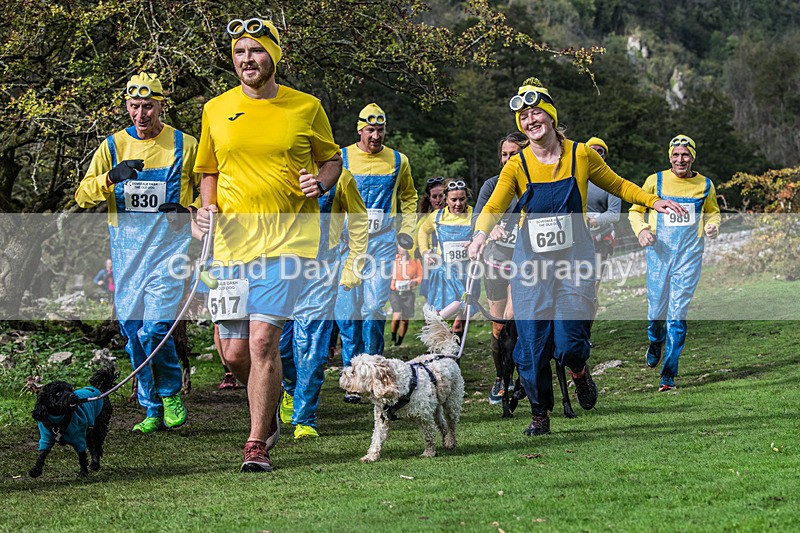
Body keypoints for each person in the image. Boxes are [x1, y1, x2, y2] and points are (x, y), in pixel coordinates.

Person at [469, 77, 685, 436]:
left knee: (570, 343)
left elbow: (617, 185)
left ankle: (579, 372)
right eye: (524, 117)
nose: (530, 120)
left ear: (552, 118)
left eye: (537, 112)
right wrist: (479, 234)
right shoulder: (517, 165)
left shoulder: (581, 154)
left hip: (574, 261)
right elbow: (494, 204)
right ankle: (540, 414)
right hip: (531, 265)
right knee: (531, 346)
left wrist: (652, 201)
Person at [194, 18, 343, 472]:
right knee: (234, 353)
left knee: (263, 342)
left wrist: (319, 183)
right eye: (239, 53)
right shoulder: (216, 109)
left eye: (255, 51)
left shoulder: (306, 106)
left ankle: (257, 440)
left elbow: (332, 160)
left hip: (289, 242)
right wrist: (205, 210)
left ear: (273, 56)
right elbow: (208, 172)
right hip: (232, 245)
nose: (247, 60)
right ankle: (270, 403)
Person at [75, 72, 198, 434]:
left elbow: (212, 194)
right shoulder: (111, 146)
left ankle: (171, 392)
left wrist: (187, 210)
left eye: (148, 106)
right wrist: (111, 178)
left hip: (168, 252)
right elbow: (82, 196)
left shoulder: (184, 144)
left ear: (161, 105)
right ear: (126, 106)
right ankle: (151, 408)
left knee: (156, 329)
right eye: (134, 107)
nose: (141, 115)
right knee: (133, 335)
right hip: (127, 254)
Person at [278, 167, 368, 439]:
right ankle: (291, 387)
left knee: (311, 347)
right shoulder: (277, 167)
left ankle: (305, 419)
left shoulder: (342, 177)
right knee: (279, 346)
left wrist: (352, 266)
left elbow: (359, 221)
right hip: (277, 267)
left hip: (322, 269)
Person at [335, 102, 418, 391]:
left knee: (372, 308)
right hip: (347, 245)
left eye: (380, 130)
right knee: (347, 312)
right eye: (370, 130)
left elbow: (409, 196)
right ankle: (352, 373)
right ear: (360, 130)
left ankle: (373, 369)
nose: (375, 136)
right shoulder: (341, 158)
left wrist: (407, 233)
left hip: (381, 242)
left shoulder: (398, 160)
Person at [629, 134, 720, 391]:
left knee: (677, 314)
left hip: (689, 257)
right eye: (676, 155)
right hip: (659, 254)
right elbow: (635, 210)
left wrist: (712, 225)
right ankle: (655, 340)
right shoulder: (654, 181)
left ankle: (668, 374)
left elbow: (712, 211)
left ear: (693, 156)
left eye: (685, 154)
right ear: (669, 156)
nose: (681, 159)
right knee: (656, 310)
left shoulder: (705, 185)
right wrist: (642, 230)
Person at [472, 132, 529, 403]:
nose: (507, 159)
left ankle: (521, 379)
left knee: (513, 320)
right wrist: (489, 227)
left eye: (513, 154)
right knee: (497, 328)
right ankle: (500, 377)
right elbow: (477, 217)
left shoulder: (533, 185)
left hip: (524, 265)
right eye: (504, 154)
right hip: (495, 261)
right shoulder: (491, 185)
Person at [419, 179, 473, 334]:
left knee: (458, 323)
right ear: (446, 199)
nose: (458, 204)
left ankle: (455, 356)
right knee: (441, 319)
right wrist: (424, 250)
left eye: (462, 199)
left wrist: (477, 243)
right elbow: (423, 231)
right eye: (453, 200)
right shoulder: (437, 217)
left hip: (466, 273)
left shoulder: (474, 215)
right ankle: (438, 349)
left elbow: (485, 232)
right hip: (444, 274)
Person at [585, 137, 621, 322]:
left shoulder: (612, 181)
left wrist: (594, 220)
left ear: (604, 156)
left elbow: (615, 214)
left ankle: (586, 331)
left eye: (600, 151)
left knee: (591, 287)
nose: (595, 154)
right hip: (575, 239)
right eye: (592, 150)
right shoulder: (574, 177)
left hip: (601, 239)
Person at [416, 176, 447, 303]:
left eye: (441, 196)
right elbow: (417, 239)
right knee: (430, 300)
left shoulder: (453, 215)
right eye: (434, 197)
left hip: (451, 262)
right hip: (431, 262)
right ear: (429, 199)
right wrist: (424, 252)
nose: (438, 200)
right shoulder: (424, 219)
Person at [389, 247, 423, 346]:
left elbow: (420, 276)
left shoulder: (415, 261)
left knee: (404, 319)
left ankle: (399, 342)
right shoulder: (394, 259)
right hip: (395, 291)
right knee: (397, 315)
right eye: (400, 246)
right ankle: (393, 337)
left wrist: (415, 281)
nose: (402, 248)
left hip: (408, 293)